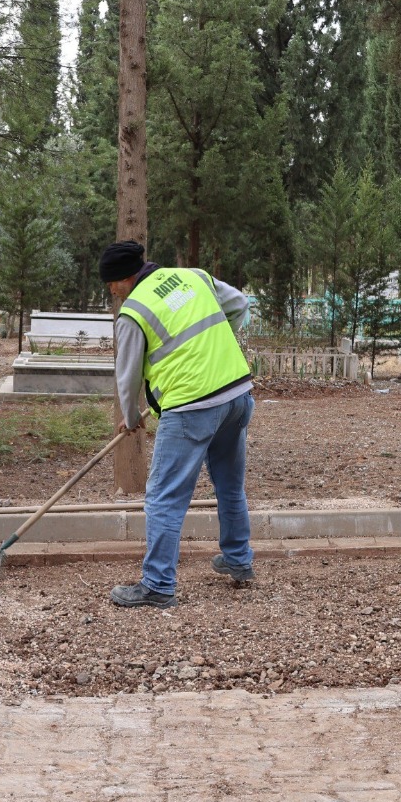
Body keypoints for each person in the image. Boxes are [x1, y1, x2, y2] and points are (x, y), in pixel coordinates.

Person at [99, 240, 255, 608]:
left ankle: (156, 585)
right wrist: (215, 347)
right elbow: (240, 305)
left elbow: (128, 376)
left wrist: (132, 416)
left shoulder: (135, 311)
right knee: (230, 487)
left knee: (164, 497)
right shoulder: (193, 277)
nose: (111, 292)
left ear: (127, 277)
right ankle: (239, 561)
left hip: (191, 405)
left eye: (112, 284)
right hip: (236, 394)